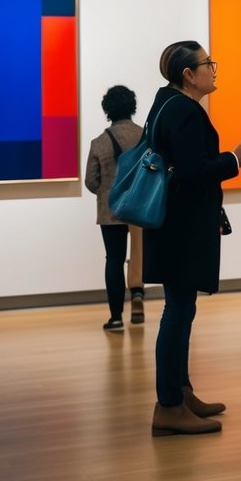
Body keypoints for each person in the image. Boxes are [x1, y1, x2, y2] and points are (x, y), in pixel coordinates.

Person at [144, 41, 241, 436]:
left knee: (180, 309)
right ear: (188, 74)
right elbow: (193, 172)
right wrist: (234, 160)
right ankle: (169, 405)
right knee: (177, 311)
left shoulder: (165, 106)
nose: (213, 69)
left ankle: (180, 391)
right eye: (208, 64)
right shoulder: (184, 112)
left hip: (173, 224)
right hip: (183, 227)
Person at [84, 85, 145, 331]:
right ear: (132, 106)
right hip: (141, 207)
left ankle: (116, 316)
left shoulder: (99, 142)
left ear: (107, 109)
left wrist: (107, 190)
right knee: (141, 254)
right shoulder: (144, 136)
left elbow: (91, 181)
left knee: (114, 260)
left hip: (111, 211)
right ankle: (138, 294)